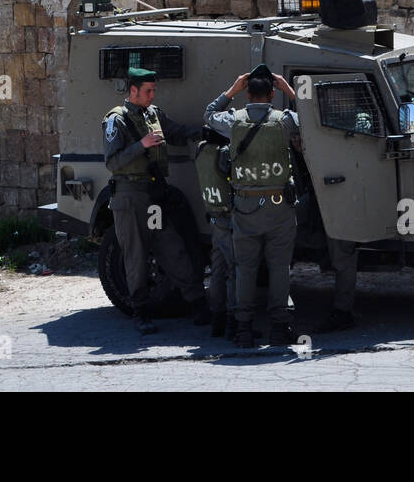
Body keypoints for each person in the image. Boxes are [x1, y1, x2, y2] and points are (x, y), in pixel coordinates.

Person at [103, 66, 211, 336]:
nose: (152, 95)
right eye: (148, 90)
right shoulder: (116, 120)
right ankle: (140, 311)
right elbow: (112, 161)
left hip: (153, 196)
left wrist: (207, 132)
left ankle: (198, 303)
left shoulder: (154, 115)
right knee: (136, 255)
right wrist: (143, 144)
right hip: (129, 196)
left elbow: (177, 131)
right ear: (133, 91)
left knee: (170, 247)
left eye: (154, 90)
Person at [205, 64, 300, 348]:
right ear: (272, 93)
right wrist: (290, 91)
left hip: (245, 207)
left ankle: (244, 329)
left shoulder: (234, 120)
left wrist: (232, 89)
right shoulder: (285, 120)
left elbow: (208, 115)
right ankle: (280, 327)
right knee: (279, 267)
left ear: (248, 96)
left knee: (245, 268)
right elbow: (313, 117)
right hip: (279, 207)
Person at [193, 127, 237, 339]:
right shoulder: (224, 153)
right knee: (234, 271)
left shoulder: (201, 151)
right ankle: (233, 322)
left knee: (218, 270)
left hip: (213, 213)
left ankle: (217, 320)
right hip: (228, 217)